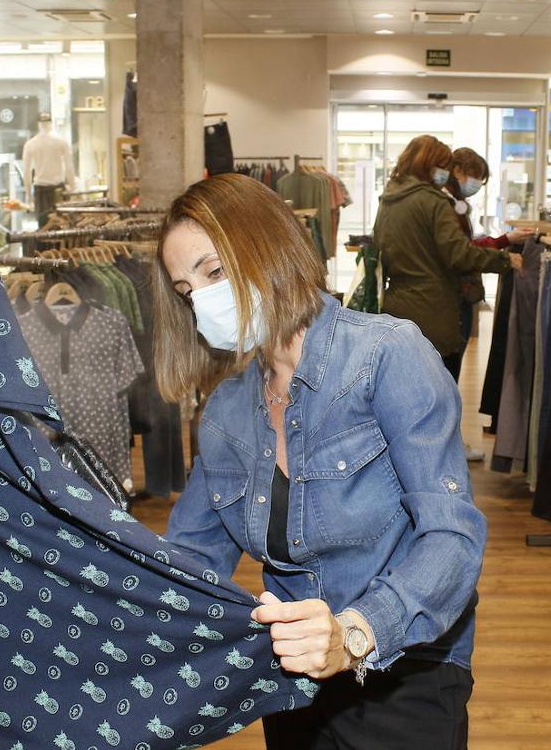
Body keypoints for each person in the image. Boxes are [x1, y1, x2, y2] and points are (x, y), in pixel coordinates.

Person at [155, 173, 487, 748]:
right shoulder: (228, 410)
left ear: (270, 247)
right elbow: (189, 559)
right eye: (187, 290)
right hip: (291, 678)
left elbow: (452, 534)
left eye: (214, 272)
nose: (203, 299)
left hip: (402, 669)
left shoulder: (385, 355)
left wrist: (356, 631)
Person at [373, 135, 523, 389]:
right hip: (433, 311)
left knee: (402, 394)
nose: (445, 172)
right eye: (442, 165)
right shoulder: (434, 202)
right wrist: (505, 259)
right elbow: (459, 254)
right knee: (439, 396)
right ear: (428, 164)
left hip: (395, 307)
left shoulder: (388, 200)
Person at [441, 147, 535, 460]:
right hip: (454, 298)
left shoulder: (453, 205)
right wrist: (503, 255)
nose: (477, 185)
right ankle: (448, 448)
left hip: (458, 296)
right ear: (459, 172)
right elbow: (463, 253)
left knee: (447, 376)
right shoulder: (445, 206)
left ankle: (449, 445)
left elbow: (466, 247)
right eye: (477, 178)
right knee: (446, 377)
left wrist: (505, 241)